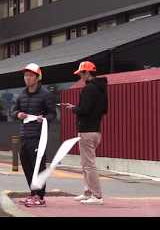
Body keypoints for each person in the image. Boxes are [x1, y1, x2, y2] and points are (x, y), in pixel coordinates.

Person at [11, 63, 56, 207]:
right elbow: (12, 111)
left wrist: (43, 119)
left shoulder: (46, 95)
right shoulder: (21, 94)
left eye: (30, 75)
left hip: (38, 136)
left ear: (37, 78)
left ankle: (40, 196)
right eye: (25, 75)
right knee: (27, 165)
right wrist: (18, 114)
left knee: (39, 166)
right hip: (24, 135)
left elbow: (52, 115)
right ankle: (33, 193)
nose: (27, 78)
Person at [65, 61, 108, 205]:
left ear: (87, 73)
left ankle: (97, 196)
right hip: (96, 131)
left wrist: (73, 108)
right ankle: (88, 192)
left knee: (88, 165)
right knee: (86, 164)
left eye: (81, 73)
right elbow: (103, 110)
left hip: (86, 131)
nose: (80, 77)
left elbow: (84, 109)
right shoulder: (101, 89)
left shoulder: (88, 89)